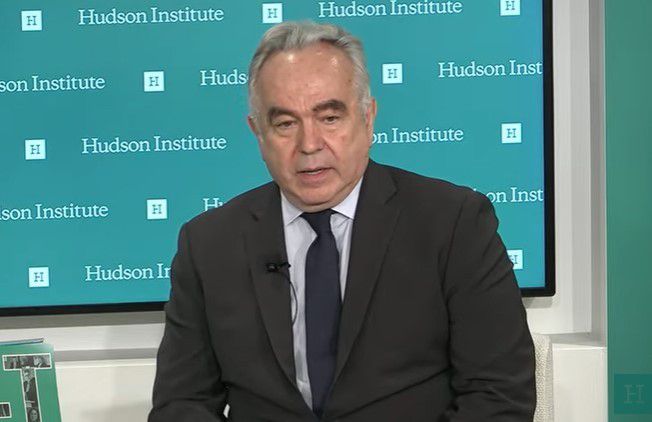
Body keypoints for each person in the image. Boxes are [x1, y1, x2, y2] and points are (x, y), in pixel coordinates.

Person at [149, 21, 535, 421]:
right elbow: (183, 404)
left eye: (330, 117)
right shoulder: (208, 245)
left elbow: (499, 394)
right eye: (285, 124)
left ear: (368, 118)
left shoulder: (453, 224)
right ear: (258, 133)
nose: (309, 144)